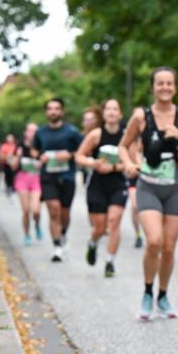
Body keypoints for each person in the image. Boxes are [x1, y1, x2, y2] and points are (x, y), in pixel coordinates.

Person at [118, 68, 178, 320]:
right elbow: (123, 146)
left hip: (177, 186)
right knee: (153, 241)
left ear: (175, 87)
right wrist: (128, 163)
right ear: (152, 87)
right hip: (149, 185)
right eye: (159, 83)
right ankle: (147, 292)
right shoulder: (141, 117)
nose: (164, 87)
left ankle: (162, 295)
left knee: (168, 246)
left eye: (169, 83)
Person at [76, 99, 128, 276]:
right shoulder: (96, 135)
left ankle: (110, 262)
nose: (112, 112)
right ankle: (93, 243)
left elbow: (134, 163)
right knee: (99, 227)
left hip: (118, 183)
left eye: (115, 109)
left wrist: (114, 167)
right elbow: (79, 157)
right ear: (104, 113)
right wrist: (93, 162)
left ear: (120, 114)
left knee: (114, 221)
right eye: (108, 109)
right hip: (97, 184)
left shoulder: (127, 136)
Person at [33, 98, 82, 262]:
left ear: (62, 111)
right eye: (50, 109)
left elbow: (82, 152)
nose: (53, 111)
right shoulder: (40, 133)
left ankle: (63, 234)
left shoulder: (72, 132)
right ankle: (57, 247)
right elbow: (34, 150)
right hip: (48, 177)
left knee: (64, 213)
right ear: (46, 112)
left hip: (67, 177)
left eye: (57, 108)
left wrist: (69, 155)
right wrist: (41, 156)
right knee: (53, 209)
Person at [12, 122, 43, 244]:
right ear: (25, 132)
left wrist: (41, 161)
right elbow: (13, 167)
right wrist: (18, 156)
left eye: (35, 131)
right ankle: (27, 234)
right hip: (22, 179)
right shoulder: (19, 147)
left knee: (36, 210)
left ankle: (37, 224)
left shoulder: (41, 146)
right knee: (26, 210)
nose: (32, 133)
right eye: (30, 130)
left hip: (37, 179)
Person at [126, 106, 145, 249]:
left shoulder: (151, 133)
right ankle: (138, 234)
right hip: (134, 176)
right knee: (135, 206)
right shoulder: (129, 137)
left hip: (152, 176)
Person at [0, 133, 18, 198]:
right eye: (8, 138)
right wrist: (7, 156)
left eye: (11, 138)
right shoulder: (4, 146)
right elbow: (1, 155)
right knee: (7, 175)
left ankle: (13, 186)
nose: (9, 139)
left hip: (14, 163)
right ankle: (8, 186)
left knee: (14, 175)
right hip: (6, 163)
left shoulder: (16, 146)